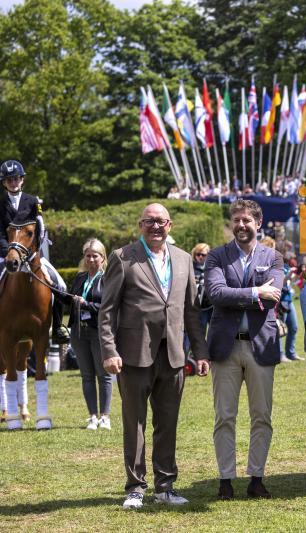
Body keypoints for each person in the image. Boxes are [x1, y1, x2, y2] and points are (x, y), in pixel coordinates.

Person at [99, 203, 210, 509]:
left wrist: (200, 351)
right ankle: (135, 488)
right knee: (134, 423)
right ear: (140, 225)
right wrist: (109, 351)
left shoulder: (184, 259)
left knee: (168, 423)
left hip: (173, 355)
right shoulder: (122, 257)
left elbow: (191, 312)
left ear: (170, 225)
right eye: (149, 222)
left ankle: (165, 486)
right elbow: (107, 311)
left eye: (161, 222)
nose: (156, 227)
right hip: (133, 355)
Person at [204, 199, 285, 500]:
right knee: (224, 416)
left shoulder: (274, 258)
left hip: (260, 346)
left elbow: (273, 296)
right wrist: (254, 292)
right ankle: (225, 480)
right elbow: (215, 294)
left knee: (261, 415)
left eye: (246, 220)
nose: (241, 225)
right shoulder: (216, 256)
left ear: (258, 224)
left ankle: (256, 478)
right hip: (226, 347)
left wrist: (242, 295)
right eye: (236, 220)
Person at [0, 159, 69, 344]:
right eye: (9, 180)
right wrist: (9, 251)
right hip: (8, 255)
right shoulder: (1, 204)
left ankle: (58, 327)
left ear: (22, 180)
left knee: (60, 285)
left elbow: (40, 227)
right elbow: (0, 233)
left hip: (30, 255)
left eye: (16, 179)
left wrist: (32, 251)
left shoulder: (32, 201)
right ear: (4, 183)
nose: (13, 183)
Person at [59, 238, 111, 430]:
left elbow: (108, 306)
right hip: (79, 332)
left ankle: (105, 416)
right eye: (87, 256)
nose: (90, 260)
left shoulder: (107, 278)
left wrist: (86, 304)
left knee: (103, 375)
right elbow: (71, 300)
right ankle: (92, 416)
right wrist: (57, 292)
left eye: (94, 256)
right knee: (87, 375)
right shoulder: (81, 278)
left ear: (102, 257)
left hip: (99, 332)